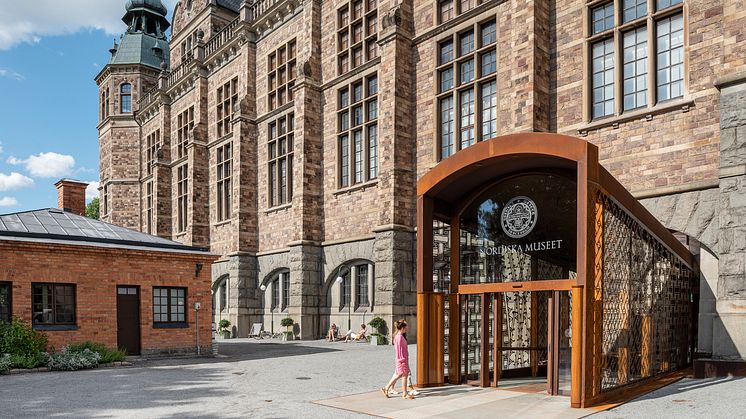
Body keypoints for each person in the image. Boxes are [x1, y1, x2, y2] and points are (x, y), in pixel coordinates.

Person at [381, 319, 414, 399]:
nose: (407, 329)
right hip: (402, 359)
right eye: (406, 327)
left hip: (402, 359)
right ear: (402, 328)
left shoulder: (399, 336)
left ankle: (402, 392)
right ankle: (389, 389)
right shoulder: (399, 337)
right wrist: (402, 360)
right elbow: (399, 350)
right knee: (402, 375)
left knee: (402, 375)